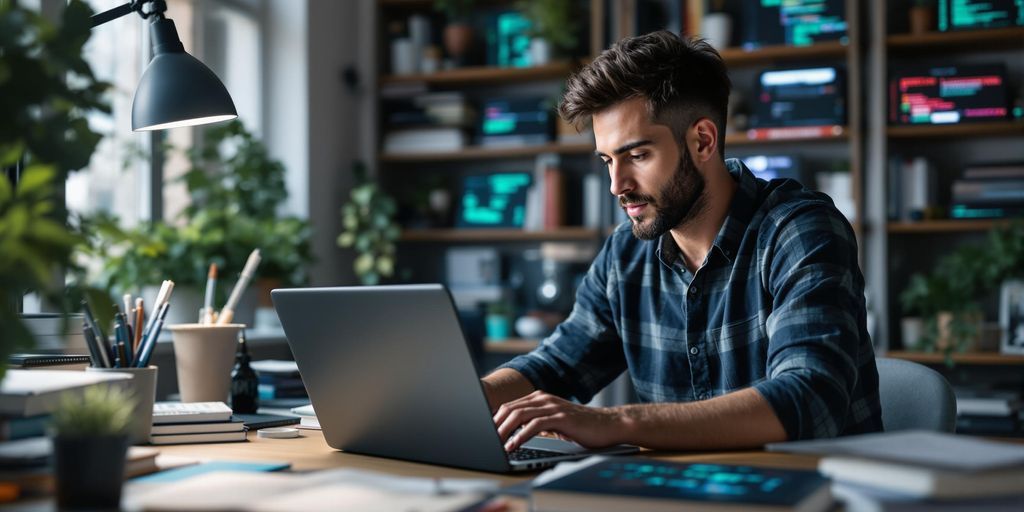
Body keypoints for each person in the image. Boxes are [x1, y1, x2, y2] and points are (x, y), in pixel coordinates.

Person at [482, 31, 883, 453]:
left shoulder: (800, 231)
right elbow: (556, 366)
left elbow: (809, 399)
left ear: (702, 141)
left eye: (637, 156)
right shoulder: (626, 253)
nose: (617, 185)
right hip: (685, 492)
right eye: (607, 161)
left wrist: (617, 422)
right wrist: (467, 398)